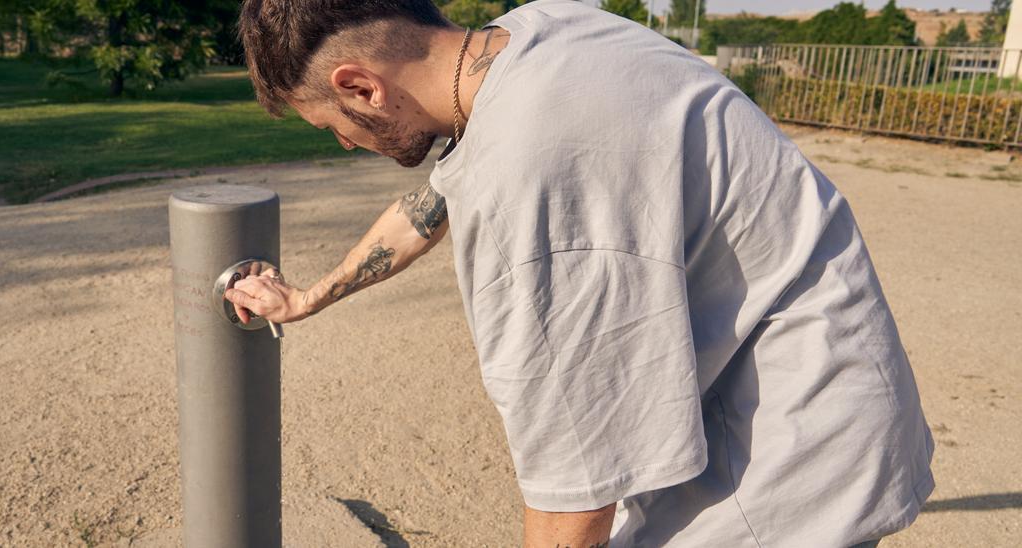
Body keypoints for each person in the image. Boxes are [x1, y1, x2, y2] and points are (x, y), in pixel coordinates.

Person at [222, 1, 935, 546]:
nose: (346, 145)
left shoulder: (529, 185)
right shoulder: (534, 35)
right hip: (834, 382)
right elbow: (435, 200)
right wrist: (310, 296)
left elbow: (577, 495)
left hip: (790, 463)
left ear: (360, 86)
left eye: (330, 126)